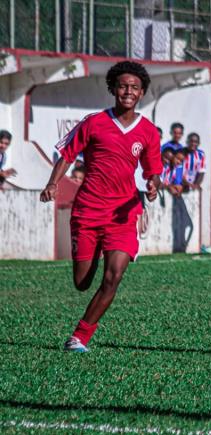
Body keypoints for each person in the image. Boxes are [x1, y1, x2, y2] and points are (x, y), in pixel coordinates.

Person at [40, 60, 161, 353]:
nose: (128, 91)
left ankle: (79, 337)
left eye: (134, 87)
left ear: (142, 92)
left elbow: (152, 169)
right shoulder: (93, 122)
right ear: (113, 89)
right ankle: (90, 250)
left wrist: (154, 183)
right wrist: (53, 183)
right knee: (82, 282)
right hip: (88, 210)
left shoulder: (148, 131)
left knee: (114, 275)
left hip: (123, 213)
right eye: (123, 86)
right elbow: (67, 154)